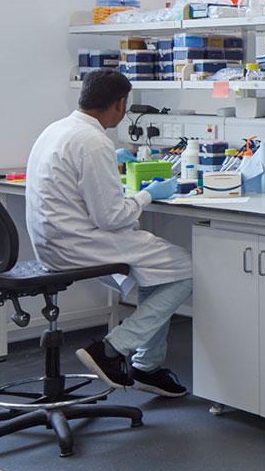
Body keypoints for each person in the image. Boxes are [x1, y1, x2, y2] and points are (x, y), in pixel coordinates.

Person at [25, 69, 189, 397]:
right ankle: (112, 349)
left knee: (157, 270)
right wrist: (148, 194)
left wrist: (111, 163)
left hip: (51, 242)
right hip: (79, 244)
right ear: (118, 104)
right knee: (184, 269)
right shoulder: (93, 140)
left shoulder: (58, 129)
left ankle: (147, 367)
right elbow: (112, 217)